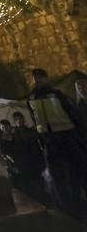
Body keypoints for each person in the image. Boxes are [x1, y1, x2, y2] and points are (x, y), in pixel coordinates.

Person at [27, 68, 87, 218]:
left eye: (38, 78)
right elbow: (74, 116)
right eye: (37, 78)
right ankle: (71, 207)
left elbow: (36, 122)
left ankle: (70, 206)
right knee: (72, 172)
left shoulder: (40, 97)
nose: (37, 81)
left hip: (58, 140)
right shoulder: (48, 96)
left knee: (68, 174)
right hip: (60, 139)